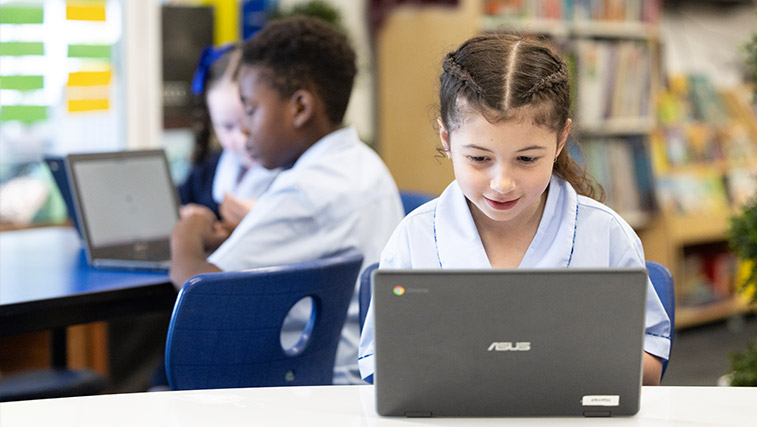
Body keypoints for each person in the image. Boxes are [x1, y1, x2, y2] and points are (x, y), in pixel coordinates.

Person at [358, 33, 671, 385]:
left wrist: (566, 354)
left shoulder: (606, 235)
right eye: (479, 158)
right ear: (446, 139)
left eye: (526, 159)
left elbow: (649, 368)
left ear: (560, 141)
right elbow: (378, 367)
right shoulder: (414, 238)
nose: (502, 183)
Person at [169, 16, 404, 385]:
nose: (244, 128)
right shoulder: (363, 163)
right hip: (363, 373)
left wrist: (185, 236)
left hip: (313, 385)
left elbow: (205, 296)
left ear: (299, 108)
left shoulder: (303, 193)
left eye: (251, 109)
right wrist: (246, 231)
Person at [178, 44, 277, 226]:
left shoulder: (292, 178)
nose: (242, 138)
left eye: (249, 120)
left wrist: (266, 219)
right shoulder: (205, 172)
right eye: (227, 126)